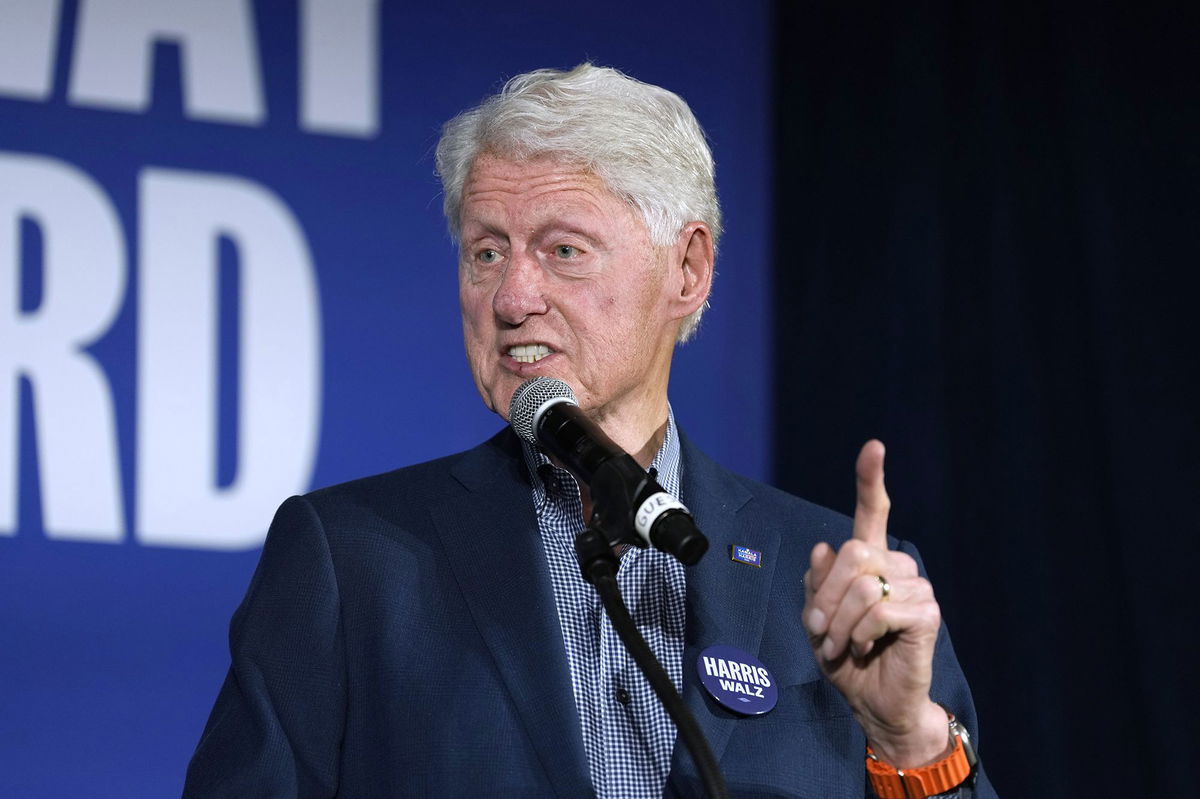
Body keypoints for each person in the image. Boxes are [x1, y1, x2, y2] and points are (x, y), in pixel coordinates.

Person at [183, 64, 997, 798]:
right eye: (486, 253)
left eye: (563, 249)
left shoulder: (830, 583)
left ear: (688, 270)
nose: (510, 298)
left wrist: (908, 741)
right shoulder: (351, 561)